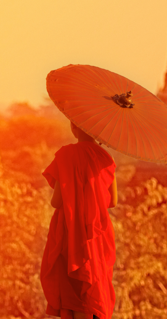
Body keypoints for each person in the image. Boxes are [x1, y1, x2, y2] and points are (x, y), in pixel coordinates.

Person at [40, 121, 118, 319]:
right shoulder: (106, 158)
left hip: (69, 230)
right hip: (96, 231)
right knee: (95, 280)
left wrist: (73, 193)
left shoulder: (65, 155)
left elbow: (56, 201)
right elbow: (113, 201)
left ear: (73, 129)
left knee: (73, 286)